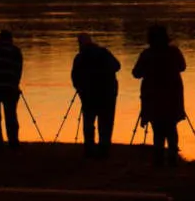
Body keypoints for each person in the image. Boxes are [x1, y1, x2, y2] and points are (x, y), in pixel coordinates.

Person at [132, 25, 186, 166]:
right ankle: (173, 157)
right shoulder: (174, 52)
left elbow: (136, 73)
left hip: (153, 97)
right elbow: (182, 67)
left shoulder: (147, 54)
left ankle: (159, 159)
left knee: (158, 128)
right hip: (172, 96)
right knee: (171, 127)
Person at [71, 33, 121, 158]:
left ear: (80, 44)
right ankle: (104, 149)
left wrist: (80, 90)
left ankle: (89, 148)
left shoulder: (80, 57)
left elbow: (75, 77)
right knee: (106, 121)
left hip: (88, 95)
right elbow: (117, 66)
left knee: (88, 122)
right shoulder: (104, 53)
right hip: (107, 94)